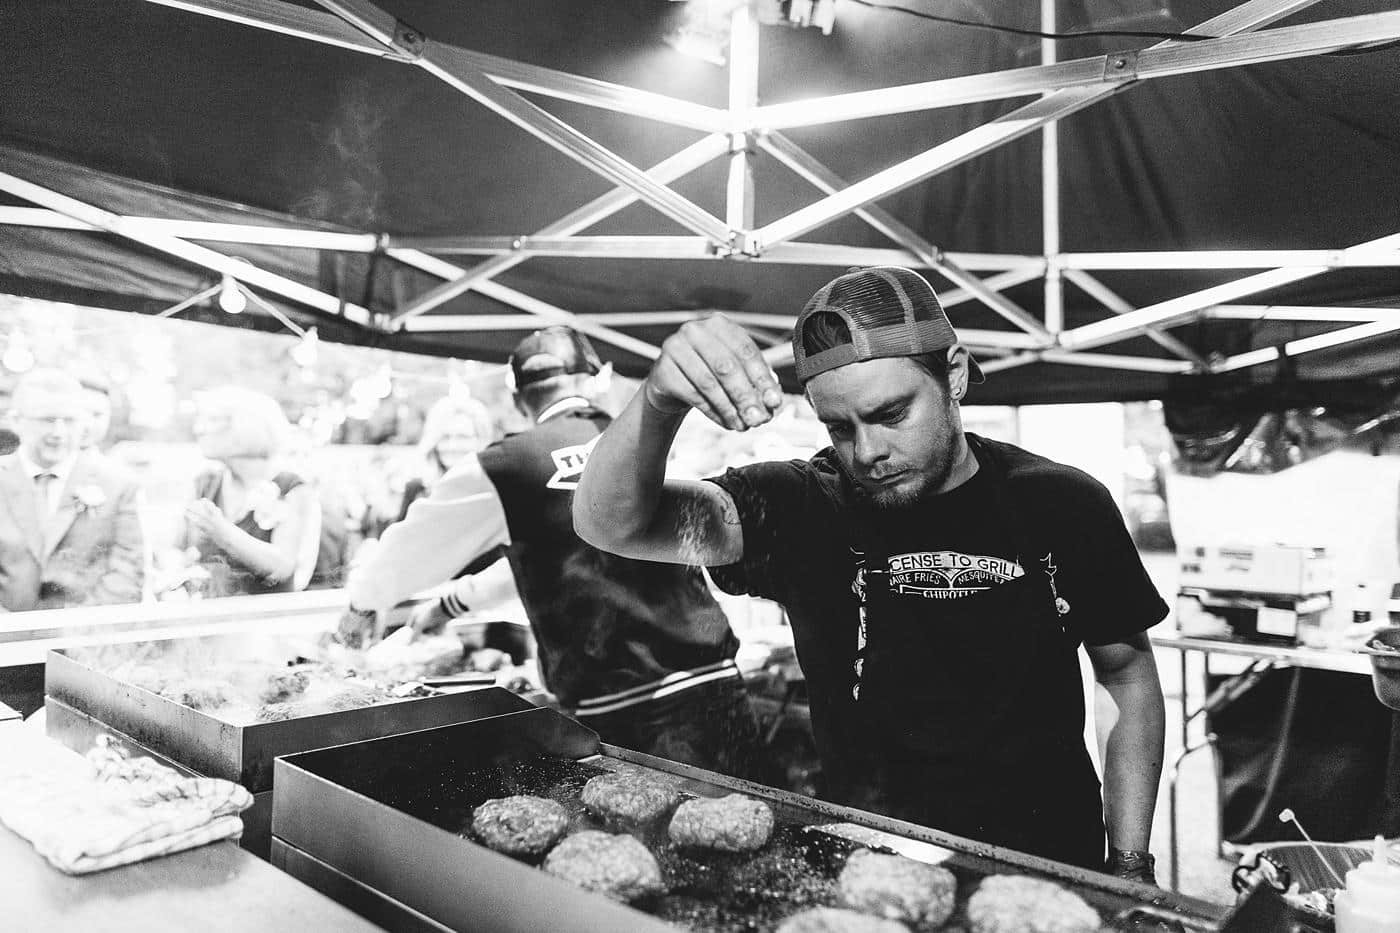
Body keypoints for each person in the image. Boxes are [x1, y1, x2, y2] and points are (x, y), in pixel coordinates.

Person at [574, 267, 1168, 881]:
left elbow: (1125, 675)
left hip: (1045, 858)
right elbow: (612, 525)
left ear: (954, 375)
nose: (868, 452)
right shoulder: (799, 506)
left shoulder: (1062, 503)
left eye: (891, 413)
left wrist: (1128, 864)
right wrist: (658, 402)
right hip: (869, 860)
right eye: (840, 426)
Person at [340, 326, 762, 778]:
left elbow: (409, 551)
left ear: (520, 399)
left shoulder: (506, 466)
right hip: (719, 689)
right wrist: (449, 605)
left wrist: (361, 605)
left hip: (625, 713)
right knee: (756, 832)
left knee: (639, 842)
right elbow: (556, 556)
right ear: (595, 379)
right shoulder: (645, 445)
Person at [0, 368, 144, 611]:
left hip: (84, 638)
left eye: (69, 421)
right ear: (16, 420)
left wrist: (72, 637)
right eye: (47, 420)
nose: (58, 433)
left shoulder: (118, 485)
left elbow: (127, 574)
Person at [177, 386, 321, 598]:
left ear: (249, 426)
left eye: (214, 420)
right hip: (209, 623)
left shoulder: (290, 487)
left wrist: (223, 531)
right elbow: (181, 550)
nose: (199, 429)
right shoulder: (204, 484)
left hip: (267, 623)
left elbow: (282, 567)